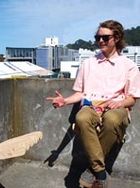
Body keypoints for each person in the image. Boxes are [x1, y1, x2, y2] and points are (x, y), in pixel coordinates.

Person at [46, 20, 140, 188]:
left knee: (112, 120)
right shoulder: (88, 64)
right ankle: (99, 170)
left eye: (105, 37)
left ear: (117, 38)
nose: (100, 41)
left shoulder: (129, 66)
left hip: (117, 107)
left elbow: (133, 98)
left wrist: (118, 103)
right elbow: (81, 93)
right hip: (91, 106)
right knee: (81, 116)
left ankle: (93, 169)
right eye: (98, 37)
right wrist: (65, 101)